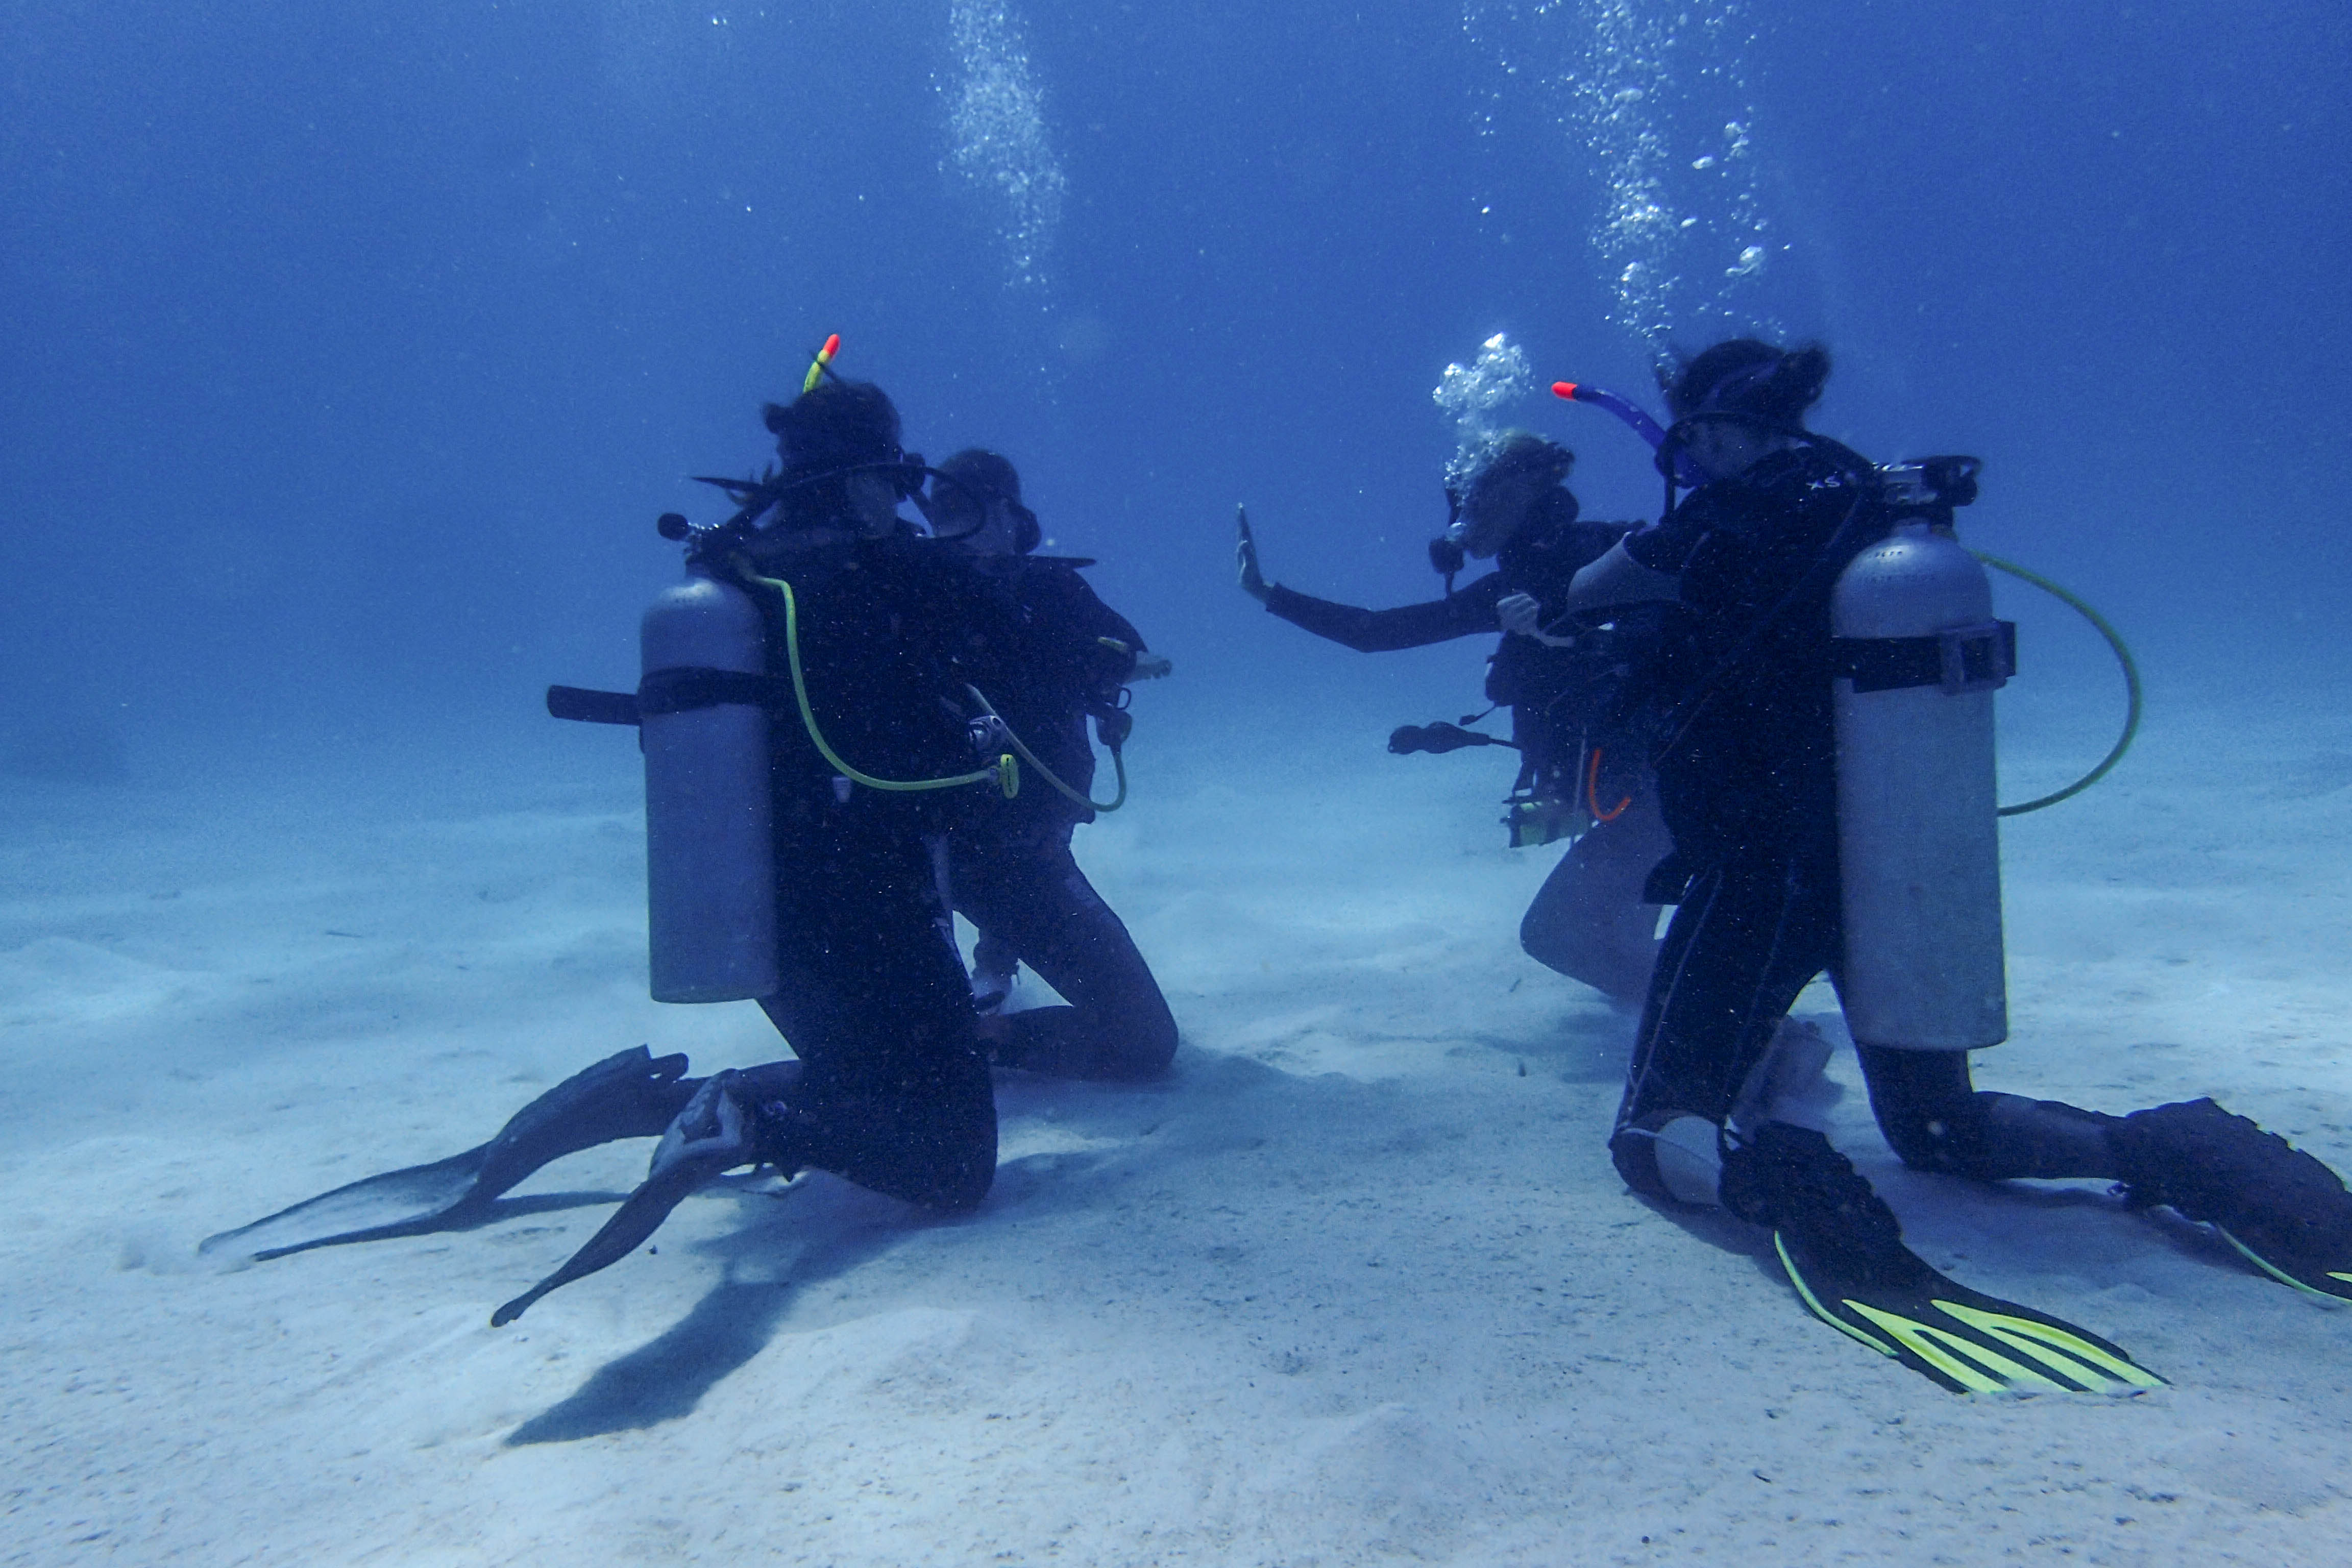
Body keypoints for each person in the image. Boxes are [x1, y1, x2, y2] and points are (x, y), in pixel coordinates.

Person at [1569, 337, 2352, 1392]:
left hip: (1761, 875)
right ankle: (2165, 1154)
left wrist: (1649, 545)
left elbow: (1586, 590)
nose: (1687, 458)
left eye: (1689, 438)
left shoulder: (1725, 513)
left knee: (1653, 1135)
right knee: (1945, 1130)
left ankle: (1790, 1182)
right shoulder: (1877, 509)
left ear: (1713, 426)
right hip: (1894, 857)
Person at [206, 376, 1019, 1323]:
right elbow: (1015, 626)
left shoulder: (734, 568)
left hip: (748, 914)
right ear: (872, 476)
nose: (905, 505)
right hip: (872, 907)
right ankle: (746, 1121)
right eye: (896, 480)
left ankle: (649, 1102)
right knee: (952, 1164)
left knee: (877, 1084)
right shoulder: (892, 574)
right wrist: (1006, 555)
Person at [1236, 431, 1672, 1003]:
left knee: (1558, 937)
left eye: (1477, 496)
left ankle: (1767, 1037)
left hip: (1673, 791)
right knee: (1618, 943)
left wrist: (1575, 636)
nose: (1464, 516)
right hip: (1644, 796)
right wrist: (1267, 593)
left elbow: (1680, 633)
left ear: (1525, 487)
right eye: (1460, 501)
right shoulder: (1514, 586)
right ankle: (1714, 1000)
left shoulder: (1607, 555)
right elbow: (1377, 632)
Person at [921, 448, 1180, 1081]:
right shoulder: (913, 589)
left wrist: (1054, 647)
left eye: (973, 510)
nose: (958, 527)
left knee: (1144, 1040)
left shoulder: (1050, 589)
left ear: (1013, 518)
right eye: (944, 511)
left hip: (1021, 857)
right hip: (914, 858)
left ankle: (979, 1025)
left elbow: (1130, 651)